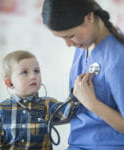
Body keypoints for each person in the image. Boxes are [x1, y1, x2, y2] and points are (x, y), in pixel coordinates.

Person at [42, 0, 124, 150]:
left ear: (89, 17)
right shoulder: (83, 46)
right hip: (77, 144)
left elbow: (88, 105)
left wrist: (92, 103)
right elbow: (80, 110)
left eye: (70, 35)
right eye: (62, 38)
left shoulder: (118, 56)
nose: (67, 44)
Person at [0, 50, 79, 150]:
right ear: (9, 83)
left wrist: (76, 93)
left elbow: (67, 112)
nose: (33, 76)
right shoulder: (1, 108)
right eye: (24, 72)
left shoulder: (48, 104)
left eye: (36, 71)